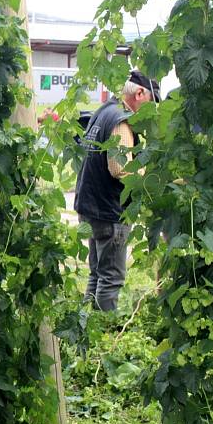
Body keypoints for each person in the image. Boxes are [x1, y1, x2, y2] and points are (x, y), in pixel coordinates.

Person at [73, 69, 159, 312]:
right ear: (140, 93)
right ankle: (104, 331)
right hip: (110, 211)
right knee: (111, 278)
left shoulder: (104, 110)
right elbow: (119, 168)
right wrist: (147, 177)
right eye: (151, 102)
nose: (150, 110)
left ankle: (86, 326)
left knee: (97, 274)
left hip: (89, 205)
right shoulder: (121, 120)